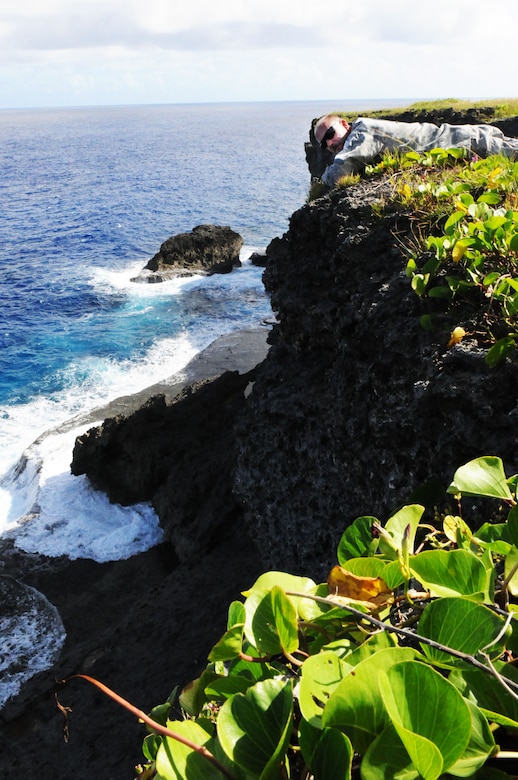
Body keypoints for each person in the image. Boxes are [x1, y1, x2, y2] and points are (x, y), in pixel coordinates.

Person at [314, 113, 518, 187]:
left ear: (344, 123)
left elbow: (343, 167)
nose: (330, 144)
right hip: (468, 138)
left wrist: (321, 182)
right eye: (324, 144)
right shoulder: (362, 133)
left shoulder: (363, 132)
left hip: (470, 143)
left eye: (330, 134)